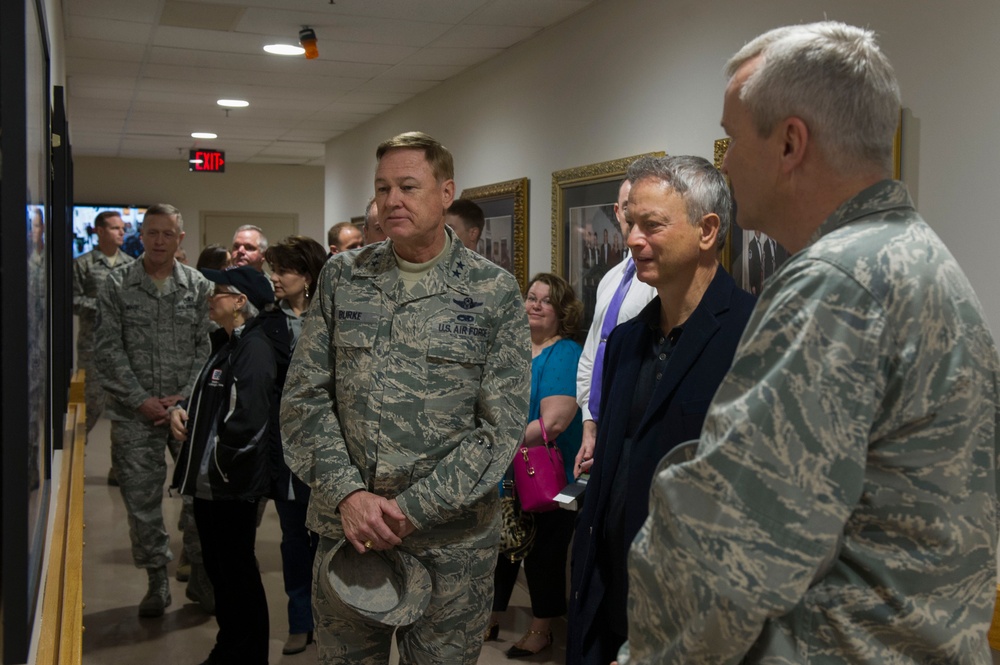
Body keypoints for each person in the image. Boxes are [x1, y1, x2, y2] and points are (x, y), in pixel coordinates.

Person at [616, 22, 1000, 665]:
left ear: (791, 142)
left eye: (733, 139)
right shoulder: (915, 258)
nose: (727, 162)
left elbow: (735, 543)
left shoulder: (836, 283)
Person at [280, 131, 531, 665]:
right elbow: (304, 398)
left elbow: (500, 428)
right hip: (350, 536)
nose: (391, 200)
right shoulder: (343, 278)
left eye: (408, 186)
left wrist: (408, 512)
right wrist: (350, 496)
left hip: (450, 545)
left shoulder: (493, 290)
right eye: (382, 188)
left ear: (446, 193)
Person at [567, 155, 756, 665]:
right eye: (631, 224)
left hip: (694, 614)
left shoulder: (752, 339)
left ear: (707, 230)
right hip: (610, 592)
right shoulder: (627, 340)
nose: (631, 239)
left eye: (652, 225)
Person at [93, 203, 213, 617]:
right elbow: (107, 350)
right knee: (141, 504)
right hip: (134, 415)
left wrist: (184, 395)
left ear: (181, 239)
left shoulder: (198, 286)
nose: (159, 241)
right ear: (140, 237)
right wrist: (140, 399)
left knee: (200, 499)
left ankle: (199, 574)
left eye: (168, 234)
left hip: (187, 415)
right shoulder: (116, 284)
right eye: (152, 233)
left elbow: (208, 347)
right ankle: (156, 582)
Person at [170, 266, 279, 665]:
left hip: (230, 486)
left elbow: (248, 420)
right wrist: (183, 411)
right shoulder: (227, 343)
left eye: (217, 292)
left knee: (237, 574)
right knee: (221, 570)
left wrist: (217, 464)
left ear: (239, 302)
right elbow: (211, 401)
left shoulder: (254, 348)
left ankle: (245, 654)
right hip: (211, 485)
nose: (209, 297)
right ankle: (231, 647)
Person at [489, 273, 583, 659]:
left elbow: (554, 423)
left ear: (562, 312)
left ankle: (542, 630)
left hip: (551, 476)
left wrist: (495, 442)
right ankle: (491, 618)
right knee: (500, 546)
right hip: (508, 470)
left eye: (546, 300)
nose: (535, 305)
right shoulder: (513, 347)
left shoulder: (564, 354)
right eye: (531, 297)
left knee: (545, 552)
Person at [262, 235, 328, 656]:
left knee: (325, 540)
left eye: (283, 270)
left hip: (326, 451)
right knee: (292, 541)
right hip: (284, 452)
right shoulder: (268, 323)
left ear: (306, 276)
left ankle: (328, 620)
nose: (274, 278)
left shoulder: (329, 318)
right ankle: (299, 620)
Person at [574, 180, 655, 479]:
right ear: (617, 212)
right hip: (598, 428)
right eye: (628, 213)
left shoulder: (656, 281)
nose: (634, 225)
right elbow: (592, 356)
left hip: (632, 429)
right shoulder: (611, 278)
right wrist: (589, 422)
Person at [73, 211, 134, 435]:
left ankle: (120, 469)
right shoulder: (83, 264)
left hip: (126, 348)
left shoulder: (131, 265)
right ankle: (77, 462)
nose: (122, 232)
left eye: (122, 228)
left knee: (125, 410)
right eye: (115, 228)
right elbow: (71, 301)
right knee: (90, 407)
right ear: (99, 231)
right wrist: (101, 305)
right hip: (94, 348)